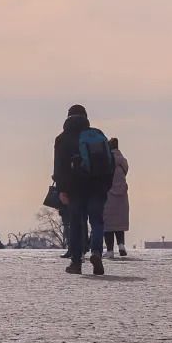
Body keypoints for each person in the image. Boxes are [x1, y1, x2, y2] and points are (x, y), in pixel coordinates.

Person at [54, 105, 116, 275]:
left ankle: (76, 262)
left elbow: (59, 167)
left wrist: (61, 189)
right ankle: (96, 252)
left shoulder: (62, 139)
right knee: (97, 221)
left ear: (68, 118)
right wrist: (106, 185)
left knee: (76, 223)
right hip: (97, 186)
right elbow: (110, 162)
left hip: (74, 188)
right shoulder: (97, 135)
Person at [103, 138, 131, 257]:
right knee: (119, 224)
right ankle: (121, 245)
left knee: (108, 225)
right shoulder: (123, 162)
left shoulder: (107, 161)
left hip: (109, 196)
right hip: (122, 197)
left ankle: (110, 251)